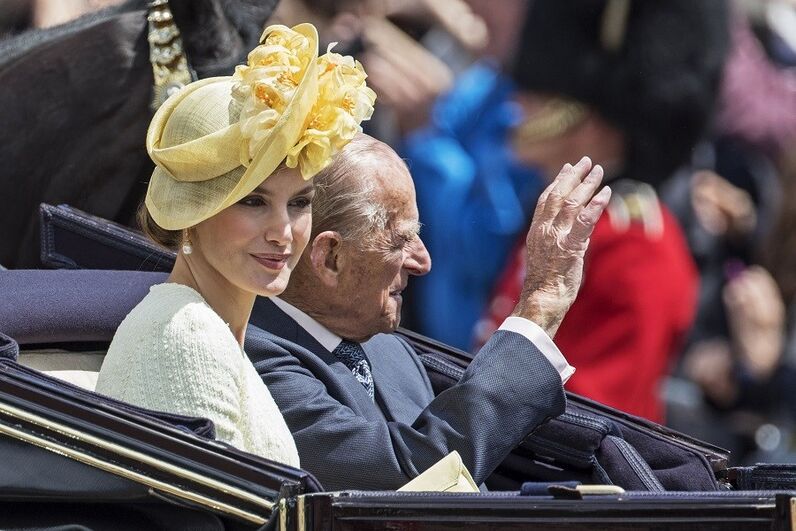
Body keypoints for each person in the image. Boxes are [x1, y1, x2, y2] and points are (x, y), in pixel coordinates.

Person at [247, 133, 610, 490]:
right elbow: (413, 481)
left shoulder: (387, 349)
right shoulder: (253, 357)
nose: (422, 261)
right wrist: (540, 306)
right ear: (330, 257)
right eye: (401, 240)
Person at [95, 23, 376, 466]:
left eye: (299, 202)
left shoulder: (212, 328)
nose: (283, 231)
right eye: (253, 201)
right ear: (193, 213)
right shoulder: (187, 333)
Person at [474, 0, 730, 422]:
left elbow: (602, 413)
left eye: (543, 94)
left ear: (587, 115)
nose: (521, 102)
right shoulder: (561, 218)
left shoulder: (638, 240)